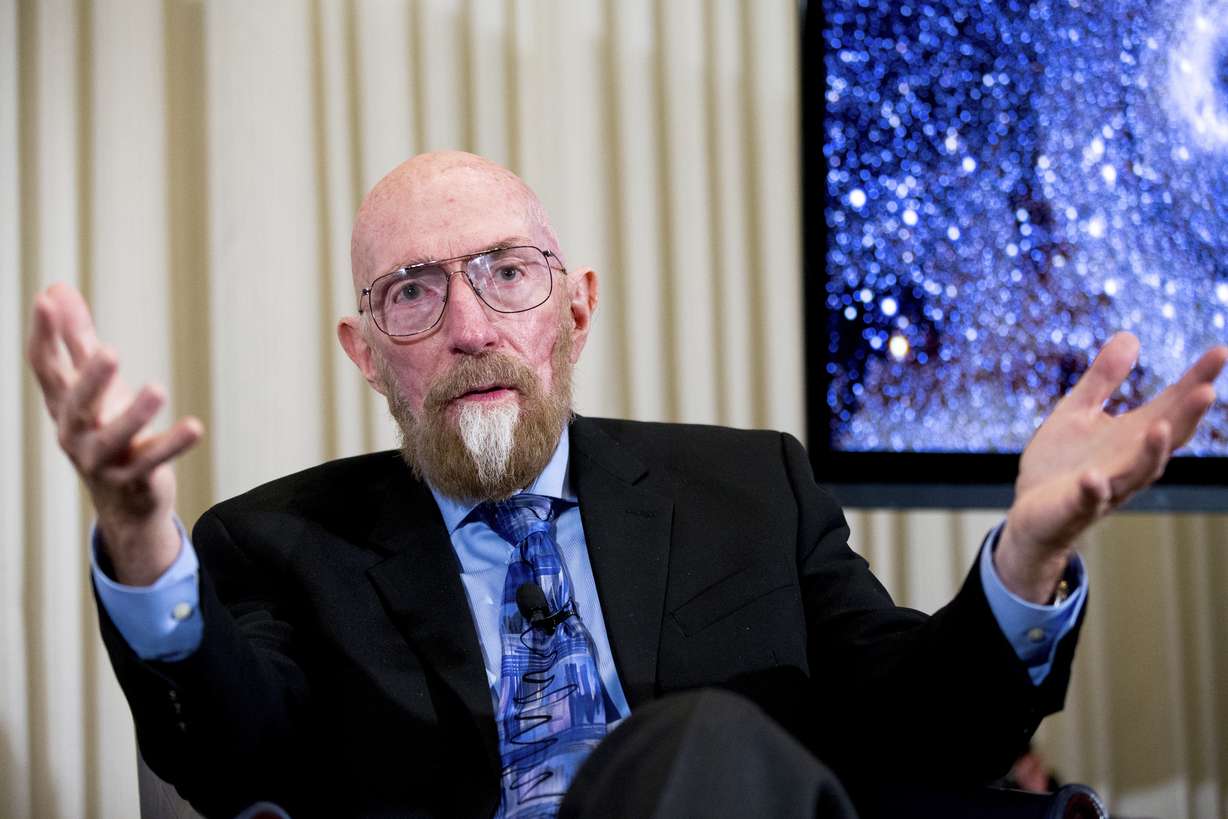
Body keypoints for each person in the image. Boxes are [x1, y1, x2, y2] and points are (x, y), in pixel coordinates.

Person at [26, 151, 1227, 818]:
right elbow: (231, 758)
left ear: (577, 310)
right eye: (413, 293)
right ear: (366, 353)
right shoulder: (281, 540)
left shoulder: (748, 487)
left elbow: (925, 725)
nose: (468, 325)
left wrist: (1025, 557)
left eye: (509, 274)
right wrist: (141, 540)